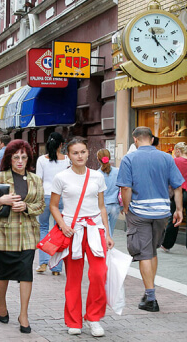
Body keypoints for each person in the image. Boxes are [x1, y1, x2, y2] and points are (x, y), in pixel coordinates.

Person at [0, 139, 45, 335]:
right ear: (9, 158)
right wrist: (1, 200)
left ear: (28, 159)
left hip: (27, 233)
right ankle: (2, 303)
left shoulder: (35, 179)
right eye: (16, 157)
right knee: (3, 273)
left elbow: (40, 205)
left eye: (24, 157)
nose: (20, 161)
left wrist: (26, 207)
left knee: (26, 273)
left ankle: (23, 314)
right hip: (5, 234)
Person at [51, 138, 113, 336]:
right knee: (73, 278)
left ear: (88, 153)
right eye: (75, 153)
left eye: (83, 152)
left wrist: (108, 233)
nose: (79, 156)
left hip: (95, 228)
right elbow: (53, 205)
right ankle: (73, 320)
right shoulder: (61, 177)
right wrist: (63, 225)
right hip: (72, 230)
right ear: (68, 155)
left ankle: (93, 318)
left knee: (99, 274)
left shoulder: (97, 177)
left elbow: (101, 206)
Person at [117, 126, 184, 312]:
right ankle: (149, 291)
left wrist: (126, 207)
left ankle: (151, 298)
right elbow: (177, 186)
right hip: (162, 211)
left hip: (140, 212)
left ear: (135, 139)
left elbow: (125, 188)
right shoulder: (166, 157)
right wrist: (179, 209)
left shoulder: (129, 158)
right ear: (152, 139)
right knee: (152, 251)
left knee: (144, 254)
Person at [35, 132, 71, 275]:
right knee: (61, 230)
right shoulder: (68, 160)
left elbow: (39, 180)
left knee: (43, 227)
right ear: (61, 145)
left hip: (46, 196)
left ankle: (43, 262)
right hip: (63, 197)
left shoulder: (42, 160)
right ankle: (56, 267)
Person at [161, 142, 187, 256]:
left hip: (178, 193)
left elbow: (170, 177)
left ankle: (167, 245)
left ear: (178, 150)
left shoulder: (175, 161)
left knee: (174, 219)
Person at [96, 149, 119, 237]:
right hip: (115, 205)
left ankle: (108, 249)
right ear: (109, 158)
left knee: (106, 233)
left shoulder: (97, 174)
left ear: (98, 159)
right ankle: (109, 248)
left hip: (102, 206)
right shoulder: (117, 171)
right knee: (110, 232)